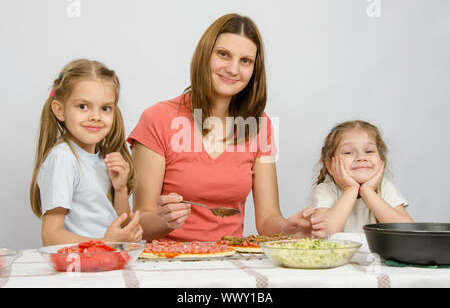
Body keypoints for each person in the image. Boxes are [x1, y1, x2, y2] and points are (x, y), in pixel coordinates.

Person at [128, 13, 315, 242]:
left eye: (245, 61)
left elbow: (268, 219)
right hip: (168, 264)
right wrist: (163, 220)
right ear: (205, 55)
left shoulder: (260, 125)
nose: (233, 69)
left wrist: (288, 229)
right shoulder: (157, 119)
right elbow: (141, 223)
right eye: (224, 55)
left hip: (231, 261)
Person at [30, 59, 143, 246]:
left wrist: (120, 189)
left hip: (105, 264)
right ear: (60, 111)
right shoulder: (64, 158)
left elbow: (120, 226)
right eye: (83, 106)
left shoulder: (102, 158)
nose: (96, 116)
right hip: (80, 269)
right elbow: (51, 236)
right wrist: (105, 243)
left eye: (105, 108)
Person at [308, 120, 413, 237]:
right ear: (330, 165)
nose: (361, 157)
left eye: (369, 151)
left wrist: (368, 191)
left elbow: (406, 231)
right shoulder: (327, 189)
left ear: (381, 159)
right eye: (348, 152)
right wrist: (350, 189)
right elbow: (325, 232)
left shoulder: (384, 187)